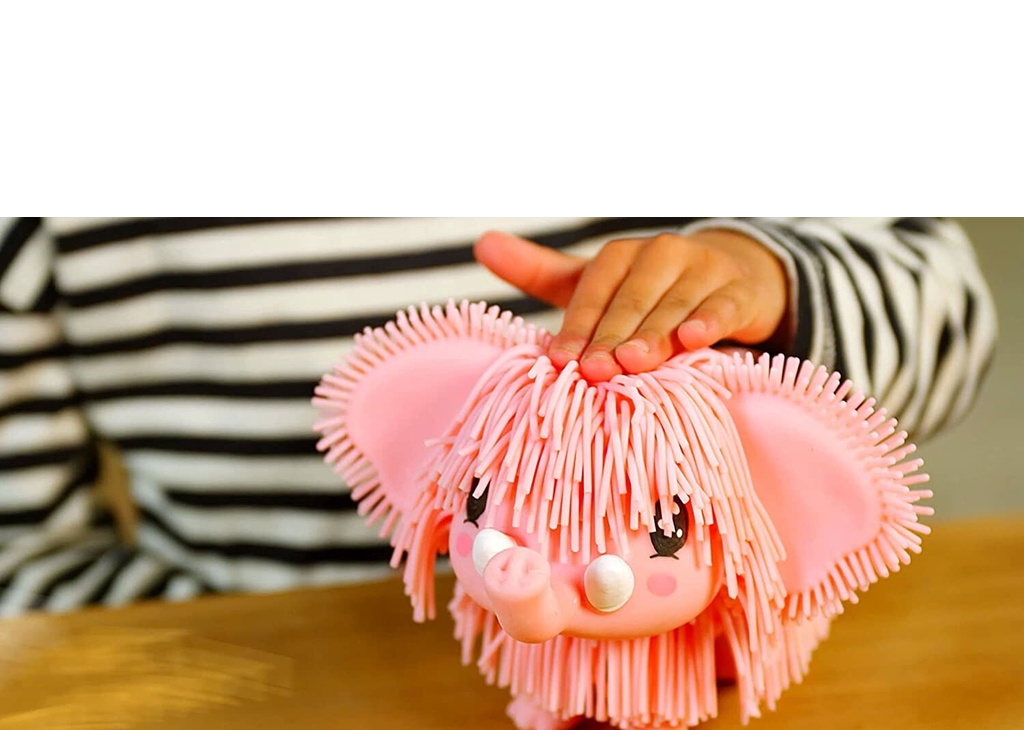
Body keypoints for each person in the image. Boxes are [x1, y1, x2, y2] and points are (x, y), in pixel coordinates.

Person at [0, 218, 997, 615]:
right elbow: (23, 562)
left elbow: (949, 313)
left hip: (733, 697)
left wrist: (775, 282)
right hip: (271, 688)